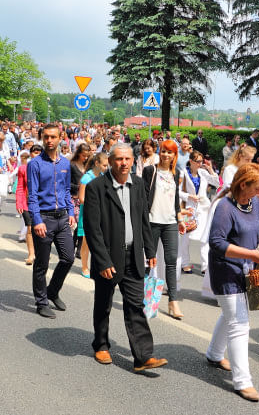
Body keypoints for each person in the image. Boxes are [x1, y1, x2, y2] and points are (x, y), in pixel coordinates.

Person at [83, 143, 168, 372]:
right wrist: (102, 261)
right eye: (119, 159)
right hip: (108, 258)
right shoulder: (96, 187)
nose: (123, 163)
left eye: (127, 159)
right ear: (110, 161)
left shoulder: (138, 184)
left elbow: (143, 220)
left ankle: (143, 356)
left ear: (133, 161)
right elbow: (93, 229)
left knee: (135, 305)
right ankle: (101, 344)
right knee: (103, 304)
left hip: (133, 256)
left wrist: (150, 250)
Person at [206, 163, 259, 402]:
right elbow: (217, 243)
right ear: (243, 184)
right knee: (240, 323)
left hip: (246, 269)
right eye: (257, 188)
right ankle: (242, 381)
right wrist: (250, 254)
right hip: (225, 271)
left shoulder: (255, 204)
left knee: (231, 315)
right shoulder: (225, 207)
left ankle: (214, 354)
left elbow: (258, 232)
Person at [27, 123, 76, 318]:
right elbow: (32, 195)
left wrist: (71, 211)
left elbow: (66, 190)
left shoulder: (65, 164)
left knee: (68, 258)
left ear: (60, 138)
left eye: (53, 137)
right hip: (44, 219)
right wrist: (36, 220)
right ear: (42, 138)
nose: (49, 140)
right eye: (46, 137)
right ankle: (41, 302)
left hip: (62, 217)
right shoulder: (35, 164)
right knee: (42, 264)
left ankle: (52, 291)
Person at [142, 139, 186, 318]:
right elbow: (144, 197)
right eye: (164, 151)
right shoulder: (150, 171)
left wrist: (180, 218)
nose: (166, 155)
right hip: (152, 222)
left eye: (170, 152)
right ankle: (141, 299)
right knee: (148, 262)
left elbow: (175, 199)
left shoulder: (176, 174)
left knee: (171, 261)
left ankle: (173, 302)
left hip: (170, 223)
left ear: (175, 155)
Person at [180, 150, 219, 274]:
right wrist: (188, 196)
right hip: (188, 209)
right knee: (186, 237)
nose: (200, 164)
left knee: (204, 237)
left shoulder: (203, 172)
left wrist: (210, 169)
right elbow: (177, 191)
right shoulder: (183, 173)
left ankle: (205, 265)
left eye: (201, 161)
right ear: (191, 161)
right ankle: (184, 263)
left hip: (203, 209)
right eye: (197, 161)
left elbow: (217, 183)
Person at [78, 152, 109, 278]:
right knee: (86, 242)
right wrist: (96, 204)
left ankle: (96, 266)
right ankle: (84, 267)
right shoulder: (87, 178)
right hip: (87, 214)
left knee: (98, 241)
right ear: (97, 163)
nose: (106, 168)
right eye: (105, 165)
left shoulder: (103, 177)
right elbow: (81, 198)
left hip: (100, 214)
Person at [15, 148, 42, 265]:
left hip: (42, 203)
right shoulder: (23, 168)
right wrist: (19, 202)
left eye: (39, 153)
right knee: (30, 228)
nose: (37, 155)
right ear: (31, 154)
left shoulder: (46, 168)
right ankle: (31, 254)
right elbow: (20, 187)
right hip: (27, 202)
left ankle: (40, 253)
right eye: (35, 152)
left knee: (41, 229)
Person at [70, 143, 91, 258]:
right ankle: (71, 247)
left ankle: (79, 249)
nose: (85, 158)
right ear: (79, 154)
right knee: (76, 224)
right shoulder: (72, 165)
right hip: (74, 198)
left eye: (87, 156)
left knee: (82, 226)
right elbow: (66, 183)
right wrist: (78, 187)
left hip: (85, 199)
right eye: (83, 155)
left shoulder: (88, 167)